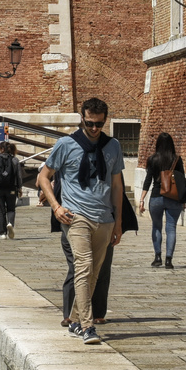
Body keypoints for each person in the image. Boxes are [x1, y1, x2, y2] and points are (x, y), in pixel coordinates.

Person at [36, 97, 124, 345]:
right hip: (76, 217)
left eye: (98, 124)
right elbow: (43, 177)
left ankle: (74, 320)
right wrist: (56, 206)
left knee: (94, 274)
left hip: (104, 218)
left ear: (104, 121)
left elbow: (117, 185)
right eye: (89, 124)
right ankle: (87, 327)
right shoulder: (66, 144)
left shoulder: (113, 146)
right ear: (81, 119)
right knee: (83, 268)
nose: (94, 129)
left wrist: (118, 222)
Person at [138, 132, 186, 268]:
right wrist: (183, 201)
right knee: (171, 228)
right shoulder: (177, 159)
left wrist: (142, 199)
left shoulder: (153, 159)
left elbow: (148, 180)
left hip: (156, 196)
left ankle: (157, 257)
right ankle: (169, 260)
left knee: (156, 226)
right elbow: (181, 181)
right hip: (174, 198)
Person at [0, 140, 23, 239]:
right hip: (11, 188)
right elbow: (19, 175)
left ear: (2, 149)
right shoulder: (15, 160)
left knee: (0, 211)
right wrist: (20, 188)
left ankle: (2, 233)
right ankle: (10, 224)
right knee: (11, 209)